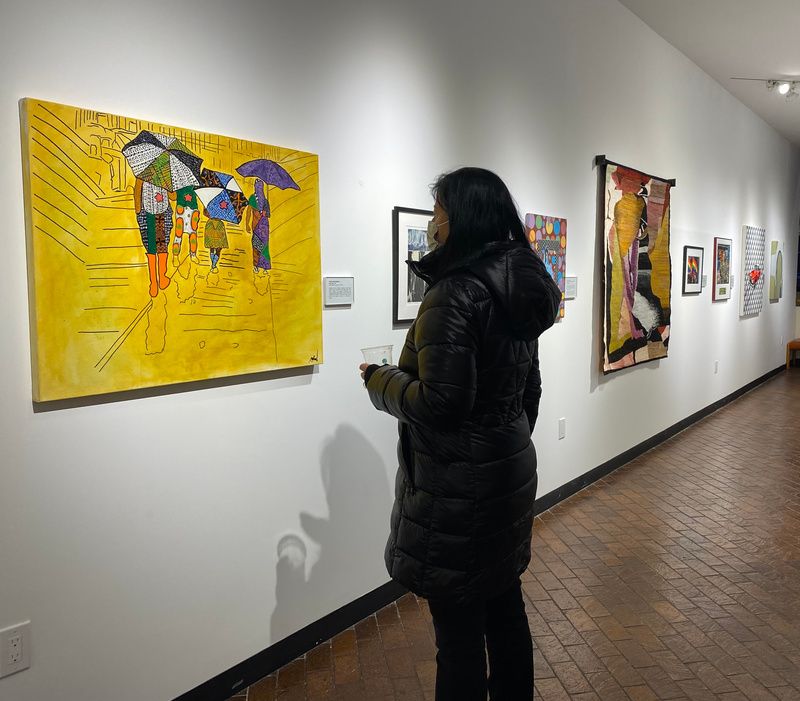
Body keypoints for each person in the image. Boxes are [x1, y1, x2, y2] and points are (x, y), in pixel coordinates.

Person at [360, 167, 561, 700]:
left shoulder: (457, 294)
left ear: (462, 219)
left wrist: (379, 381)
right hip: (506, 471)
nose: (433, 226)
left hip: (461, 488)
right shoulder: (516, 287)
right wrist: (503, 444)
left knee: (459, 636)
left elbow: (443, 405)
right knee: (505, 610)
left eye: (439, 215)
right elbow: (529, 390)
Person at [133, 177, 173, 296]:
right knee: (160, 245)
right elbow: (173, 196)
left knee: (153, 247)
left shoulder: (142, 174)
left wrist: (138, 211)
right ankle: (160, 279)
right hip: (158, 213)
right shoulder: (165, 174)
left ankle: (155, 283)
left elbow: (137, 193)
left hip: (149, 212)